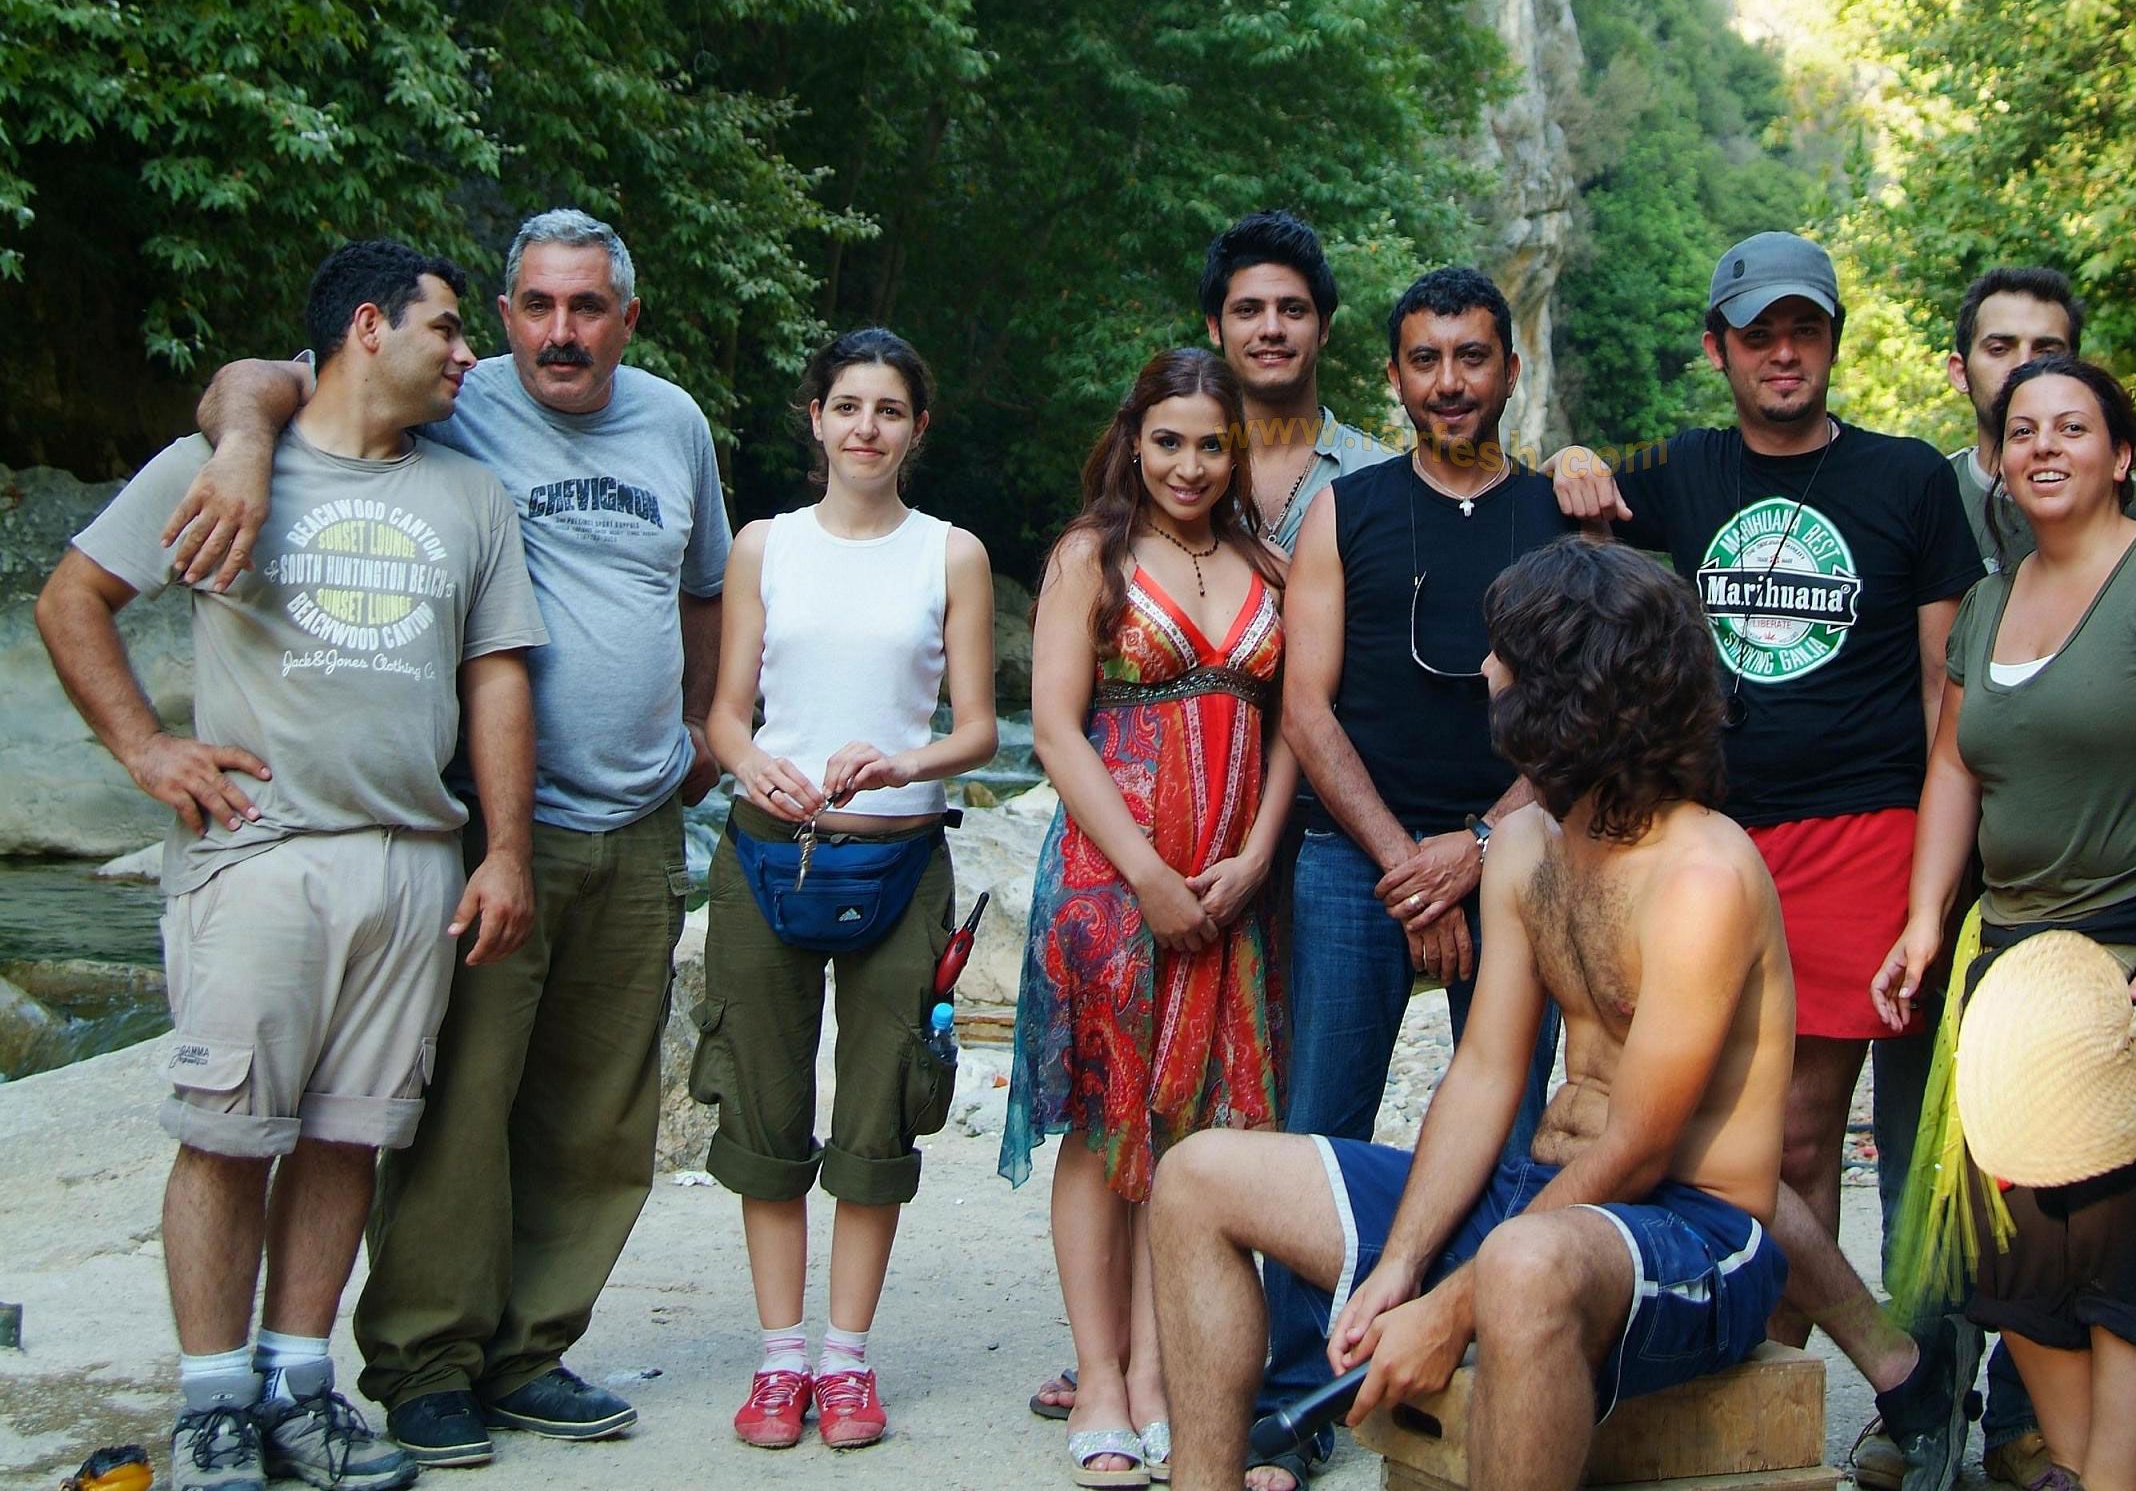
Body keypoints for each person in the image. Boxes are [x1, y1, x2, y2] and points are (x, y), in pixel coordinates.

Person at [1157, 538, 1958, 1491]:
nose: (1484, 669)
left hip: (1698, 1237)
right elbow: (1486, 1072)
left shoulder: (1702, 875)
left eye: (1505, 653)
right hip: (1539, 1204)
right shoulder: (1526, 844)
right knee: (1199, 1175)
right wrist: (1401, 1264)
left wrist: (1449, 1309)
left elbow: (1641, 1150)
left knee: (1521, 1265)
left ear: (1565, 690)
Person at [180, 209, 733, 1464]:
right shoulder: (452, 398)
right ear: (500, 317)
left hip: (643, 820)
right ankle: (426, 1362)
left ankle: (530, 1353)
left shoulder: (675, 424)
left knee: (598, 1118)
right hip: (492, 826)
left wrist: (704, 719)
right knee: (455, 1111)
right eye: (536, 306)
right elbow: (260, 379)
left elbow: (702, 582)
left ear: (628, 318)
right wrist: (248, 445)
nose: (560, 332)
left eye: (586, 307)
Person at [35, 241, 547, 1491]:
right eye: (447, 327)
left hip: (412, 862)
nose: (468, 353)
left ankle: (300, 1389)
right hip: (259, 854)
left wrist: (504, 851)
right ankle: (213, 1409)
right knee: (227, 1137)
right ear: (369, 327)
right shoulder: (215, 465)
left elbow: (495, 675)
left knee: (347, 1138)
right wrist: (147, 749)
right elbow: (71, 600)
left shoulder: (470, 495)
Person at [1548, 231, 1986, 1491]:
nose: (1782, 352)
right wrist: (1572, 460)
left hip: (1863, 833)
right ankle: (1873, 1369)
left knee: (1791, 1140)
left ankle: (1779, 1393)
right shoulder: (1682, 471)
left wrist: (1936, 881)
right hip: (1711, 838)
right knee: (1691, 1122)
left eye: (1804, 329)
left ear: (1833, 341)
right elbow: (1554, 500)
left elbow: (1945, 690)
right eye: (1758, 334)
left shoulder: (1908, 479)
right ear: (1718, 349)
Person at [1873, 355, 2136, 1491]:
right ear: (1999, 461)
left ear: (2121, 454)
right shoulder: (1991, 602)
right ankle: (2078, 1468)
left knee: (2126, 1249)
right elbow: (1954, 767)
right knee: (2018, 1260)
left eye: (2071, 428)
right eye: (2023, 431)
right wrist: (1924, 921)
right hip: (2012, 961)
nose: (2044, 447)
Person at [1252, 266, 1568, 1489]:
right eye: (1426, 360)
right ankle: (1299, 1391)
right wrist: (1407, 864)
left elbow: (1583, 716)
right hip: (1357, 862)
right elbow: (1307, 706)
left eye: (1472, 357)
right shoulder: (1349, 510)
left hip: (1519, 854)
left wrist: (1476, 849)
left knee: (1513, 1126)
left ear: (1509, 370)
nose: (1450, 382)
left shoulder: (1558, 516)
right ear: (1393, 376)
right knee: (1320, 1124)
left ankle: (1476, 1361)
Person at [693, 328, 997, 1450]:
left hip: (902, 865)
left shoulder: (951, 554)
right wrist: (750, 763)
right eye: (848, 406)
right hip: (767, 853)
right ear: (814, 418)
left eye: (889, 410)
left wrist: (902, 762)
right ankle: (781, 1360)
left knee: (882, 1107)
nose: (867, 427)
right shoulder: (763, 546)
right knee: (762, 1100)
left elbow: (976, 731)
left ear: (919, 430)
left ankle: (847, 1358)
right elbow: (727, 713)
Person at [1003, 346, 1299, 1487]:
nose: (1189, 465)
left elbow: (1291, 720)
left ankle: (1168, 1379)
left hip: (1230, 888)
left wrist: (1257, 853)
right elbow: (1055, 728)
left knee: (1197, 1126)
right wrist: (1146, 877)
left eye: (1212, 445)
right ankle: (1101, 1379)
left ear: (1237, 452)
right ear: (1134, 440)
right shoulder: (1092, 553)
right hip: (1111, 881)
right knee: (1105, 1121)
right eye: (1168, 441)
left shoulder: (1266, 563)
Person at [1948, 265, 2136, 577]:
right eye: (1999, 349)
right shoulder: (1930, 494)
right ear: (1960, 372)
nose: (2023, 366)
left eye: (2046, 353)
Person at [1201, 209, 1397, 553]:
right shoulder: (1178, 474)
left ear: (1324, 327)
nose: (1271, 329)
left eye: (1293, 309)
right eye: (1248, 310)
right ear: (1215, 328)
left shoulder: (1384, 477)